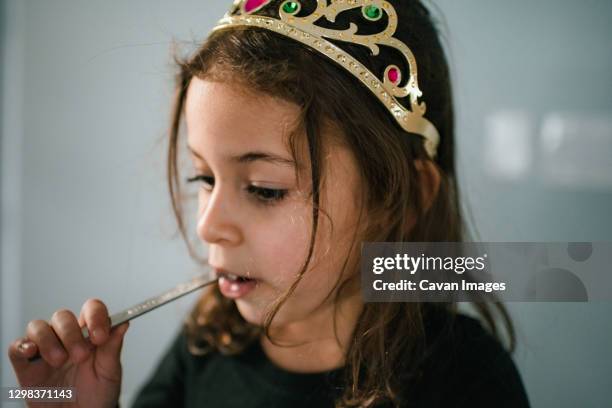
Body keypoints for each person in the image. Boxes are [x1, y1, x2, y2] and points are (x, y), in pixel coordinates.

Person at [8, 0, 530, 406]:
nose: (209, 226)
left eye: (264, 189)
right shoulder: (208, 343)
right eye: (204, 178)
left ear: (403, 199)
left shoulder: (466, 378)